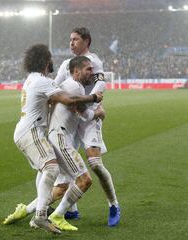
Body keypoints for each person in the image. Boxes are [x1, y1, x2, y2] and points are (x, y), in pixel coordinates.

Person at [4, 56, 105, 231]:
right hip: (60, 138)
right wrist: (96, 104)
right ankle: (55, 216)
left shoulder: (70, 86)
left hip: (57, 137)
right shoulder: (73, 87)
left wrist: (93, 109)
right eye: (88, 69)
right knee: (84, 180)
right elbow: (77, 107)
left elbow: (79, 111)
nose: (92, 72)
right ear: (76, 71)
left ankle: (26, 210)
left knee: (62, 186)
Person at [53, 27, 121, 227]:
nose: (71, 43)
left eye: (75, 39)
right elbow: (56, 87)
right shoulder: (66, 64)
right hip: (73, 118)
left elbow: (100, 86)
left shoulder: (94, 61)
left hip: (91, 116)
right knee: (68, 164)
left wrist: (90, 106)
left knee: (95, 164)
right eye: (70, 39)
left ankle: (114, 205)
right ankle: (71, 210)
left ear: (86, 41)